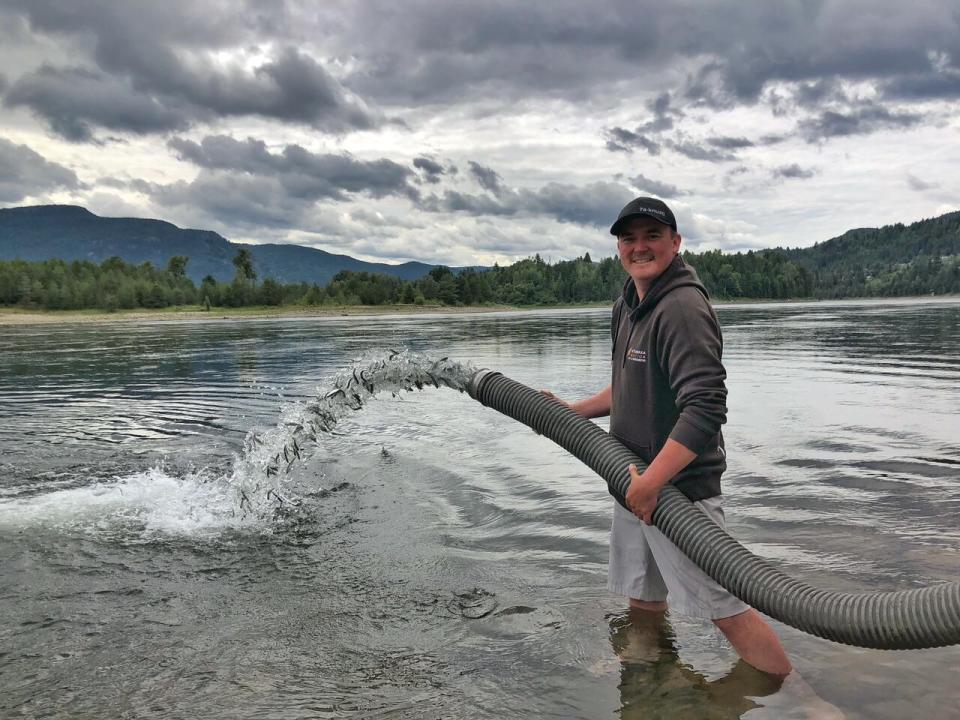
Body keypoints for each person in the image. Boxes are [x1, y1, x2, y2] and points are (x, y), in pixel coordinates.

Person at [546, 197, 793, 677]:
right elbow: (628, 384)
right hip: (634, 478)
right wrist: (574, 411)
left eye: (652, 236)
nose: (640, 247)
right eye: (629, 238)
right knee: (643, 593)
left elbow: (705, 407)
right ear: (618, 247)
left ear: (675, 243)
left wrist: (654, 482)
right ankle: (646, 664)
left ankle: (799, 697)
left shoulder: (681, 306)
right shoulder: (628, 304)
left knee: (724, 606)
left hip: (676, 490)